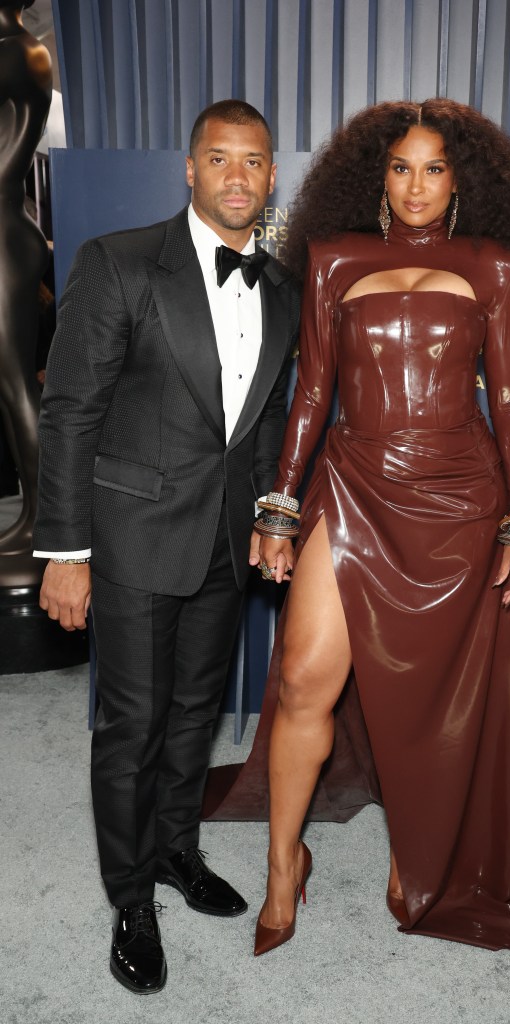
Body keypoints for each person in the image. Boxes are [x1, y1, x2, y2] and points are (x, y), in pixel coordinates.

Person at [203, 98, 510, 954]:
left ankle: (425, 859)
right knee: (301, 678)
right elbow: (311, 395)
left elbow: (509, 399)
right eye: (401, 167)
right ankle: (281, 863)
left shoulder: (493, 265)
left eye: (434, 168)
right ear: (378, 174)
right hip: (355, 482)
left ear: (460, 179)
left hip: (457, 501)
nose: (416, 186)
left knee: (434, 703)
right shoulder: (333, 261)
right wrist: (281, 505)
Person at [33, 100, 300, 992]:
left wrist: (269, 515)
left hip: (223, 543)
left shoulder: (280, 286)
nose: (236, 175)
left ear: (271, 176)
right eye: (218, 158)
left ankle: (177, 854)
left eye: (253, 161)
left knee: (195, 716)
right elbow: (70, 412)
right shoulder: (119, 262)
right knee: (133, 726)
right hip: (133, 535)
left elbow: (262, 425)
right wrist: (65, 552)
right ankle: (129, 896)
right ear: (190, 170)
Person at [0, 0, 51, 560]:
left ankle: (42, 518)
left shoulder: (16, 53)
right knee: (10, 382)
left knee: (15, 382)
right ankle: (36, 512)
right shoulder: (23, 52)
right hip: (11, 225)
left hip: (4, 230)